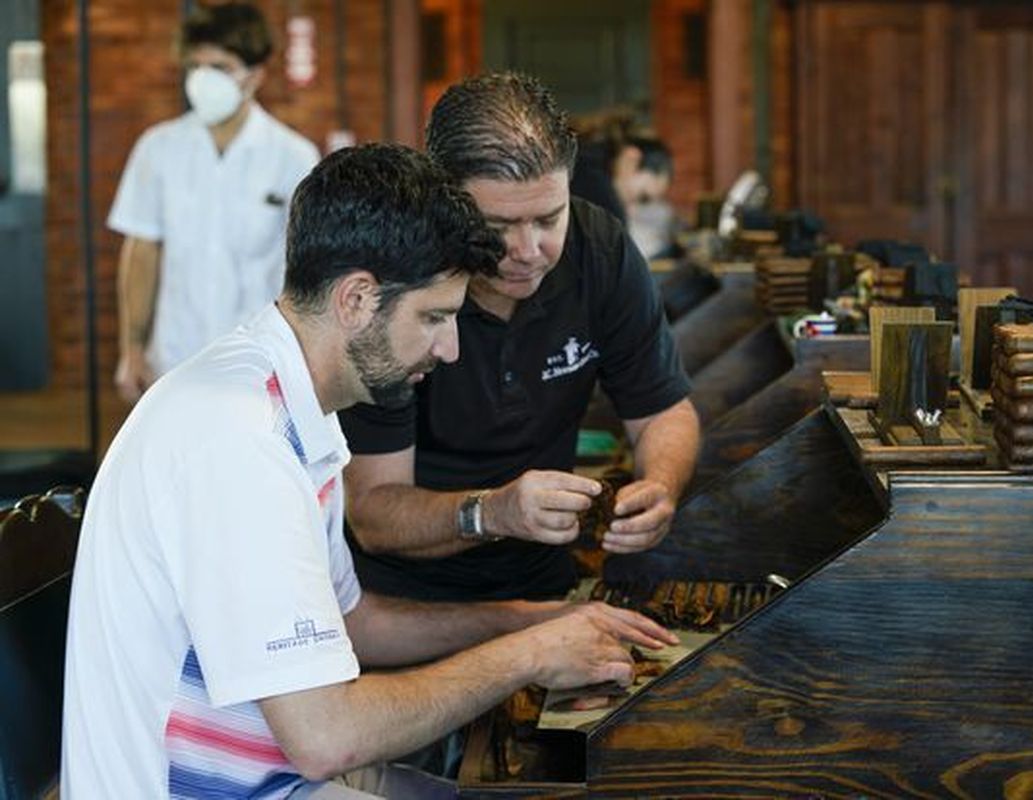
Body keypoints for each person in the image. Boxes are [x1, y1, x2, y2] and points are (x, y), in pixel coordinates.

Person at [61, 143, 675, 799]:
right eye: (435, 317)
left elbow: (352, 624)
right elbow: (326, 737)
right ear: (357, 298)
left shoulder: (293, 403)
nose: (450, 347)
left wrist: (528, 620)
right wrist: (528, 656)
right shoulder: (239, 441)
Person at [339, 73, 701, 603]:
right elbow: (372, 512)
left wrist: (661, 486)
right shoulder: (395, 283)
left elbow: (664, 411)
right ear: (444, 203)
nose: (528, 249)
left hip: (540, 577)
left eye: (548, 218)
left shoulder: (600, 253)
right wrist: (493, 511)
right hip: (396, 597)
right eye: (497, 226)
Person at [109, 2, 320, 404]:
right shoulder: (158, 148)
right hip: (173, 362)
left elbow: (310, 266)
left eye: (220, 67)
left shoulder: (294, 156)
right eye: (195, 66)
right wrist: (132, 348)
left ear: (255, 75)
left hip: (262, 367)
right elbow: (142, 252)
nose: (203, 79)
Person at [570, 110, 674, 227]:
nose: (632, 210)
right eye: (642, 197)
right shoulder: (604, 204)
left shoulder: (581, 154)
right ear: (632, 159)